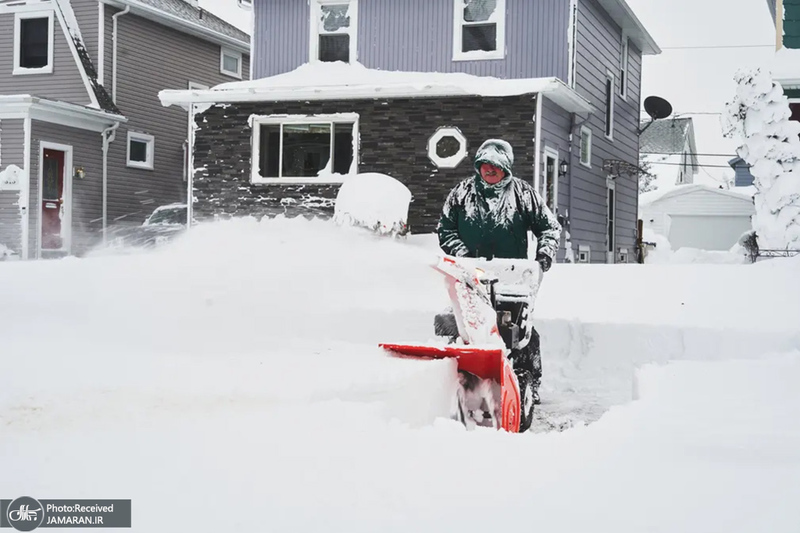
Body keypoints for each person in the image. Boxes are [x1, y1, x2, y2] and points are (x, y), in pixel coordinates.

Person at [437, 138, 562, 406]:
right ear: (478, 166)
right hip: (469, 276)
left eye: (496, 166)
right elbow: (445, 229)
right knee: (456, 324)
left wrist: (543, 256)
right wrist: (463, 254)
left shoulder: (523, 194)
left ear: (506, 168)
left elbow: (550, 228)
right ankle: (451, 379)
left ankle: (528, 382)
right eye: (485, 165)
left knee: (519, 332)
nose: (490, 170)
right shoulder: (461, 193)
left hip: (512, 278)